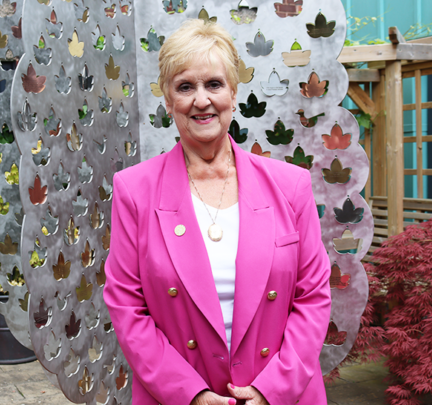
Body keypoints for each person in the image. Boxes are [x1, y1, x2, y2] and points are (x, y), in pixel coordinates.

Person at [104, 19, 331, 405]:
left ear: (233, 92)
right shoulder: (134, 190)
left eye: (214, 84)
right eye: (185, 87)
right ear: (167, 99)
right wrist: (189, 394)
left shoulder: (290, 185)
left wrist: (269, 390)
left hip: (281, 394)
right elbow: (127, 306)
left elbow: (313, 296)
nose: (201, 100)